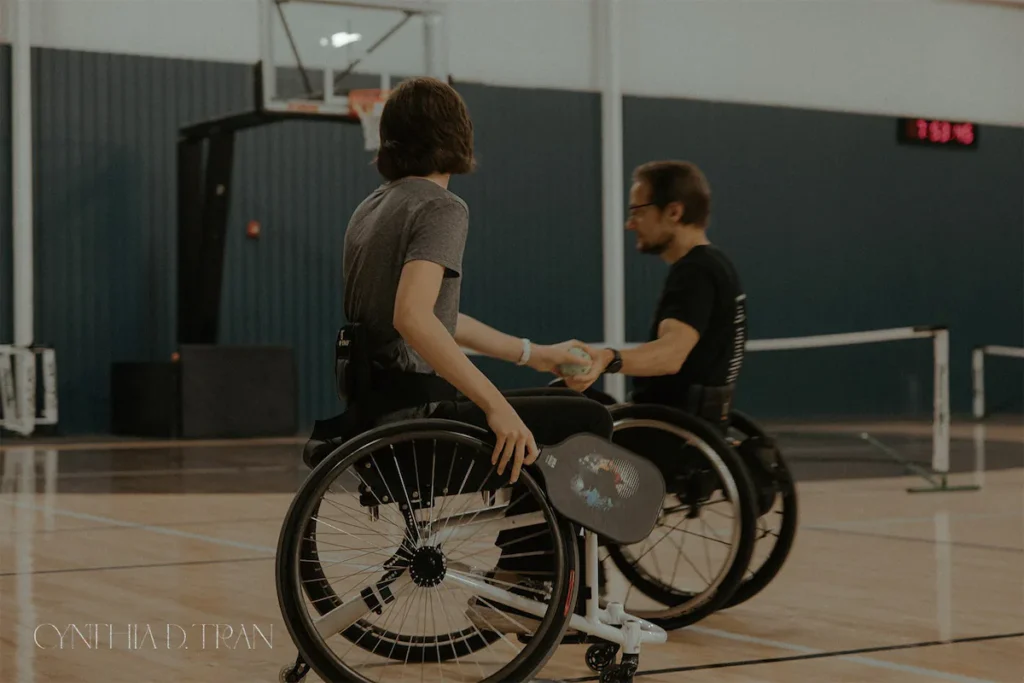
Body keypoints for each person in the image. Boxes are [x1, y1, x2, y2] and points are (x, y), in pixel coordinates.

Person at [305, 76, 612, 631]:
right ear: (457, 135)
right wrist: (495, 406)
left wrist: (533, 353)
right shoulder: (442, 207)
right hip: (421, 431)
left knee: (555, 407)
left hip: (379, 420)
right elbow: (414, 319)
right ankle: (524, 581)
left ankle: (529, 575)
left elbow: (430, 319)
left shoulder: (372, 209)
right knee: (589, 417)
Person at [565, 160, 747, 428]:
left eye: (637, 211)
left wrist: (607, 358)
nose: (630, 224)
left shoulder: (695, 272)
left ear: (673, 212)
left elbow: (671, 355)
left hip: (665, 432)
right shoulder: (715, 265)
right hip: (688, 422)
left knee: (557, 409)